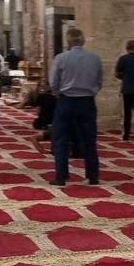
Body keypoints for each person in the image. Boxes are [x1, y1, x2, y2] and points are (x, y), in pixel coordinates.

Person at [49, 28, 103, 185]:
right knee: (89, 139)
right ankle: (93, 176)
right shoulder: (95, 59)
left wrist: (58, 93)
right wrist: (90, 92)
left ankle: (61, 177)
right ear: (83, 41)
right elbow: (99, 82)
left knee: (61, 139)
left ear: (68, 42)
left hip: (66, 101)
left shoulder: (61, 58)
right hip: (87, 102)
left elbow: (53, 82)